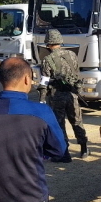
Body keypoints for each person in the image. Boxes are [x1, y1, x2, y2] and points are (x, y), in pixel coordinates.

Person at [0, 57, 67, 202]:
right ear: (26, 79)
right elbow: (59, 150)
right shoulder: (43, 112)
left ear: (1, 80)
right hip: (32, 197)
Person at [38, 28, 89, 161]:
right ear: (60, 41)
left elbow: (44, 80)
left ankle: (64, 153)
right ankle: (84, 148)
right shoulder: (72, 55)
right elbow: (77, 72)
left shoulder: (47, 60)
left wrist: (42, 98)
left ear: (48, 44)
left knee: (59, 124)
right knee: (77, 121)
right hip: (73, 94)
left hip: (57, 95)